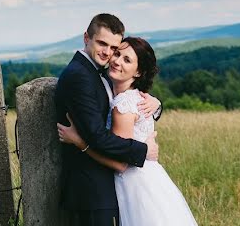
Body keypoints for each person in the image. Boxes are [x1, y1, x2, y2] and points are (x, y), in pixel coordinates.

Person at [58, 36, 198, 226]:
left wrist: (79, 142)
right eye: (117, 54)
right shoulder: (132, 97)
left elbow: (120, 164)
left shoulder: (123, 104)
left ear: (138, 71)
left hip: (135, 184)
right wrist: (157, 104)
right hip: (150, 177)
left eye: (127, 60)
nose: (116, 61)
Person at [55, 13, 163, 226]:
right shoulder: (80, 76)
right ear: (87, 38)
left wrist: (157, 105)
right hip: (91, 191)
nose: (108, 53)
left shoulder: (98, 72)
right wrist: (142, 150)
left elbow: (132, 102)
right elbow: (97, 136)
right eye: (101, 43)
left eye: (114, 48)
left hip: (107, 187)